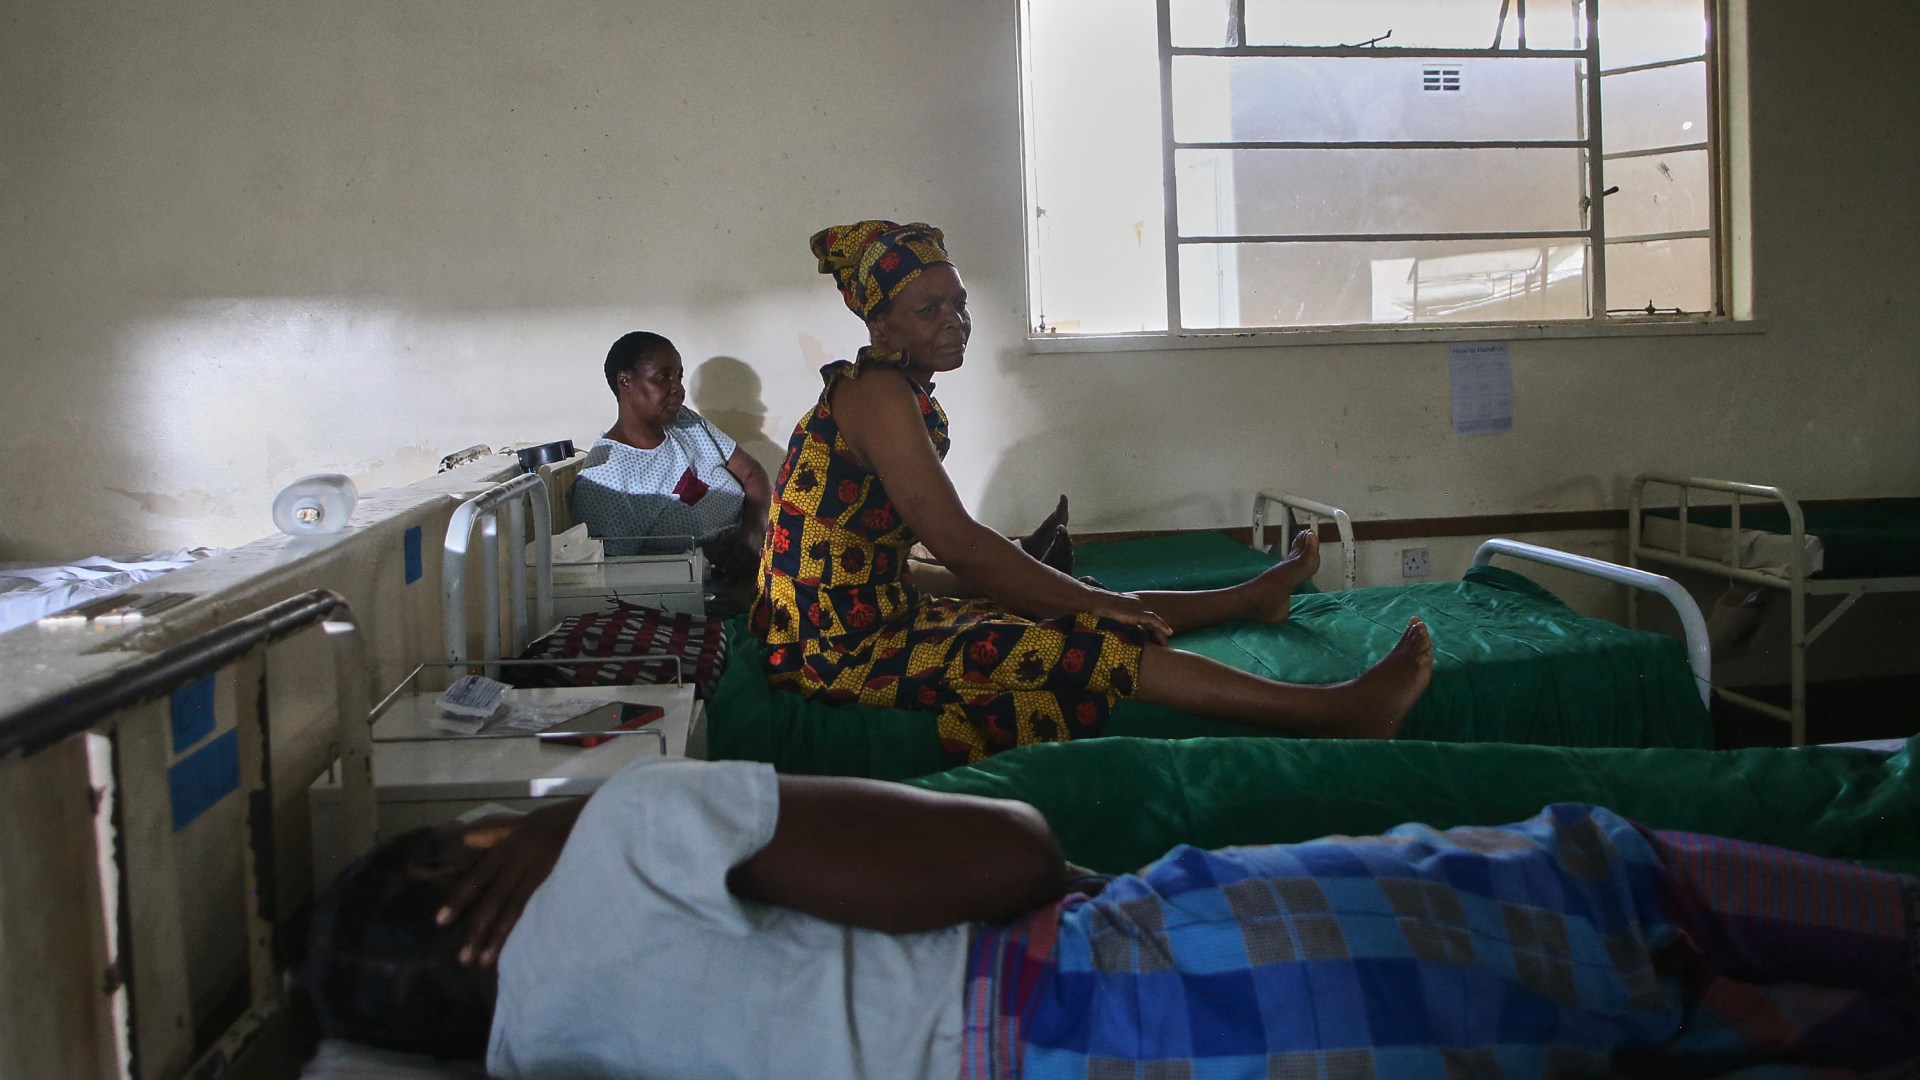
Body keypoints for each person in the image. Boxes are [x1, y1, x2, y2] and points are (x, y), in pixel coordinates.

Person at [306, 756, 1920, 1078]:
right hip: (1159, 987)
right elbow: (1011, 854)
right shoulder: (624, 839)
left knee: (1701, 1033)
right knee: (1610, 885)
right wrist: (591, 809)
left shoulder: (543, 1058)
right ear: (467, 866)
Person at [751, 220, 1432, 763]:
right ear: (882, 325)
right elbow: (956, 539)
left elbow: (880, 553)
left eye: (960, 303)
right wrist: (1087, 598)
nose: (954, 321)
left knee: (1073, 601)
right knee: (1096, 633)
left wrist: (1029, 575)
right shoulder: (876, 394)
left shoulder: (886, 391)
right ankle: (1341, 709)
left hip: (856, 616)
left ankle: (1254, 596)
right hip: (836, 650)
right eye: (929, 309)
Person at [569, 331, 773, 609]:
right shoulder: (605, 479)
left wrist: (752, 532)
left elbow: (752, 473)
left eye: (679, 376)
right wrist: (702, 560)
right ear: (625, 381)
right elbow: (615, 579)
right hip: (701, 597)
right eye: (663, 377)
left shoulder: (685, 423)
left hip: (759, 553)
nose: (678, 388)